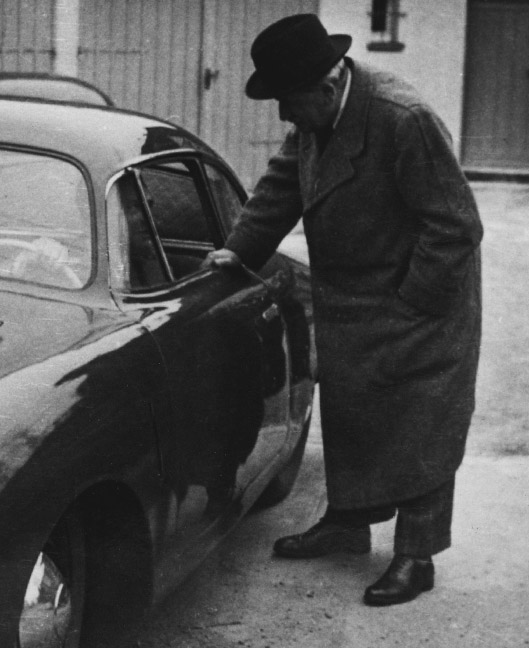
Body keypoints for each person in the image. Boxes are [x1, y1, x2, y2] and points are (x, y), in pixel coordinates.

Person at [204, 13, 482, 606]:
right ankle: (348, 523)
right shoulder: (317, 116)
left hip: (421, 296)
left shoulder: (403, 119)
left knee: (420, 421)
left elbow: (456, 226)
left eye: (286, 99)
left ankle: (416, 554)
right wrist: (237, 250)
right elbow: (282, 185)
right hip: (357, 294)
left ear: (328, 86)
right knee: (354, 407)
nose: (282, 113)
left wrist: (413, 303)